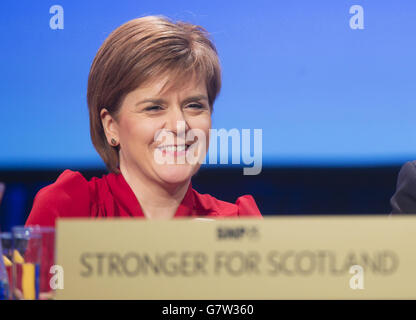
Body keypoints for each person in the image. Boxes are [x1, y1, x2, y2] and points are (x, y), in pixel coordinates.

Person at [26, 15, 262, 227]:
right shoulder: (70, 212)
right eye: (154, 108)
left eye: (194, 105)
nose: (179, 125)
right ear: (111, 126)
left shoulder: (236, 226)